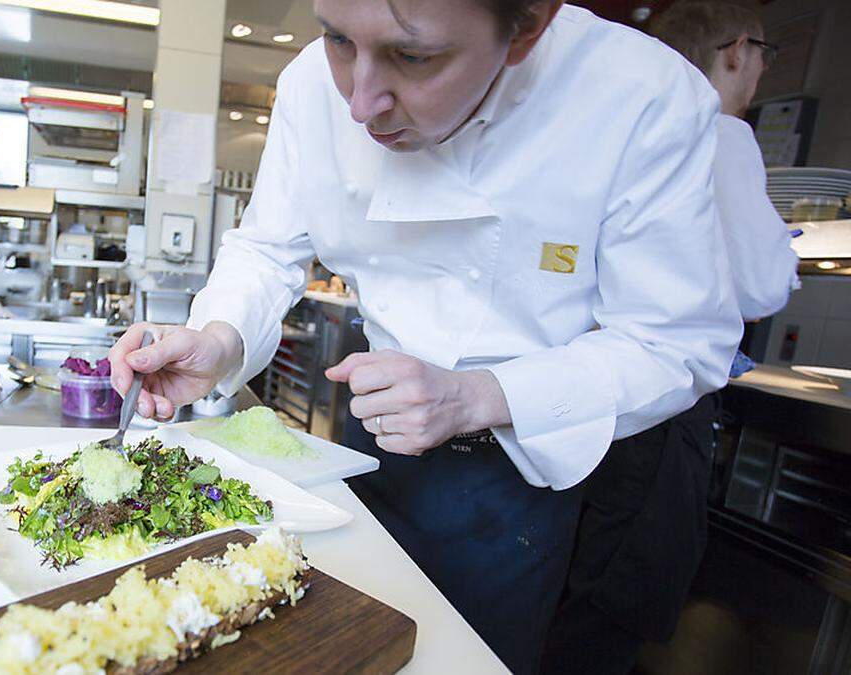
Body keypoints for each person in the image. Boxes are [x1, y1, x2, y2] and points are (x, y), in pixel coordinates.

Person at [109, 1, 742, 672]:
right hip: (369, 446)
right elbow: (267, 251)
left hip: (520, 471)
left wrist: (476, 395)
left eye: (413, 57)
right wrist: (220, 337)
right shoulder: (307, 87)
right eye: (338, 40)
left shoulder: (640, 95)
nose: (359, 102)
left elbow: (676, 342)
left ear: (524, 28)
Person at [540, 4, 800, 673]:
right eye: (765, 53)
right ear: (738, 50)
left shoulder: (614, 126)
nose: (763, 69)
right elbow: (762, 283)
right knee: (608, 609)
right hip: (657, 410)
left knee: (563, 594)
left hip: (579, 399)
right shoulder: (718, 133)